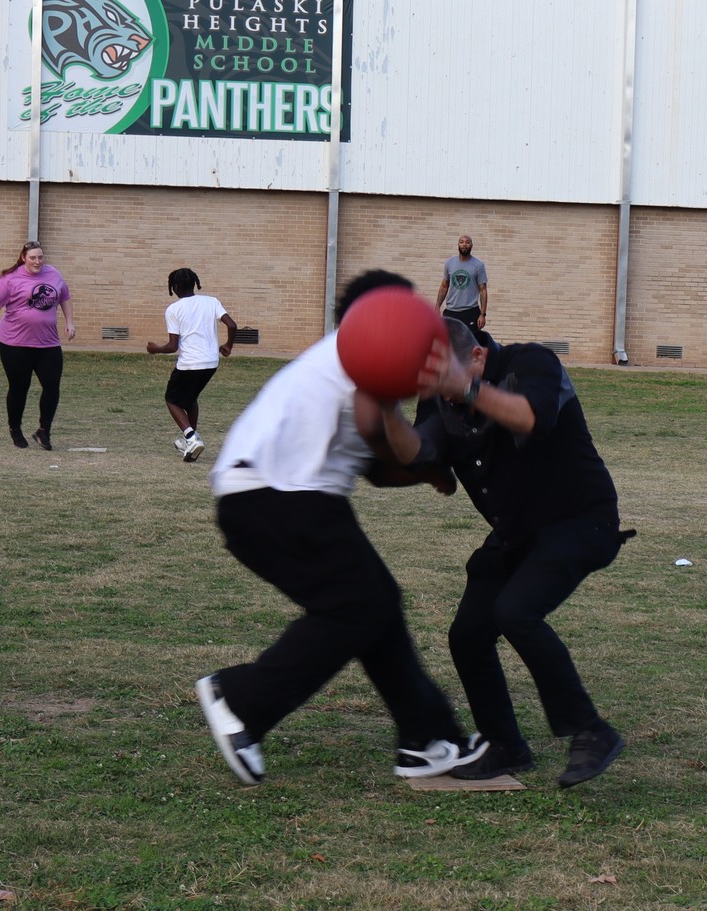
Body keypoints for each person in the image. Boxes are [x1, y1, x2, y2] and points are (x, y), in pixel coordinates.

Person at [195, 270, 488, 786]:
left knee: (375, 607)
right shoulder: (366, 354)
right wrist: (428, 461)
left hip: (280, 495)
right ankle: (240, 700)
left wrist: (425, 474)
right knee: (357, 609)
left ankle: (425, 739)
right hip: (279, 496)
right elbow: (379, 432)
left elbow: (374, 466)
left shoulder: (354, 359)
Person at [379, 318, 634, 788]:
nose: (442, 395)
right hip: (517, 534)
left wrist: (470, 389)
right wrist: (387, 415)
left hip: (580, 520)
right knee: (468, 634)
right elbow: (428, 462)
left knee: (516, 611)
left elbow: (532, 417)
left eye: (444, 382)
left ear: (476, 356)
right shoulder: (441, 394)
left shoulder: (531, 362)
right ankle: (505, 745)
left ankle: (591, 732)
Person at [0, 241, 75, 450]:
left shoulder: (53, 274)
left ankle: (44, 431)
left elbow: (65, 297)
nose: (37, 261)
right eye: (33, 257)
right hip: (15, 343)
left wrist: (70, 322)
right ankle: (15, 429)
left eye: (40, 257)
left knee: (52, 387)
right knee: (19, 387)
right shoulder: (10, 278)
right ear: (24, 257)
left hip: (48, 343)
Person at [147, 268, 238, 462]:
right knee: (190, 400)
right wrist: (228, 346)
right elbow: (232, 325)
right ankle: (191, 443)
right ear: (194, 284)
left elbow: (172, 346)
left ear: (176, 287)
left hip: (189, 364)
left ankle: (190, 436)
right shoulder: (211, 302)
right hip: (211, 363)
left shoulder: (173, 309)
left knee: (172, 399)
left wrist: (155, 349)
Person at [436, 235, 488, 339]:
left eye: (467, 242)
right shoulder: (449, 263)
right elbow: (444, 286)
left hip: (470, 312)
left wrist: (482, 314)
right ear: (458, 245)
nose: (464, 244)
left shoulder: (478, 265)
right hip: (451, 312)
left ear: (471, 245)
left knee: (469, 345)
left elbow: (483, 291)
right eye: (462, 242)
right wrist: (437, 306)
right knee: (448, 344)